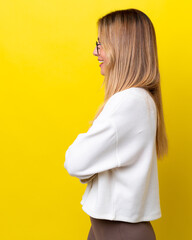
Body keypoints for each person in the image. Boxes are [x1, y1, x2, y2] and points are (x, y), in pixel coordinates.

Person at [64, 8, 168, 240]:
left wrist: (88, 157)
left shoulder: (129, 101)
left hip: (119, 231)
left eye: (101, 44)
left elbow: (75, 161)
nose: (95, 52)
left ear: (122, 47)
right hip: (108, 228)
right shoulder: (138, 100)